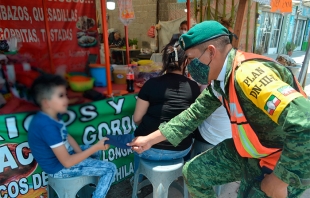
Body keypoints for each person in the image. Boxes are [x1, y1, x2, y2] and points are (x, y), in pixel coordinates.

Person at [128, 20, 310, 197]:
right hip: (254, 152)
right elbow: (192, 115)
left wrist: (280, 179)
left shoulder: (247, 74)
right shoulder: (220, 82)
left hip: (288, 159)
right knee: (194, 173)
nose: (189, 67)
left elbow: (306, 122)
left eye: (191, 59)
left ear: (211, 52)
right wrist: (150, 140)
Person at [28, 74, 117, 198]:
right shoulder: (46, 126)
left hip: (65, 157)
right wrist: (95, 147)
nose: (66, 100)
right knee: (110, 168)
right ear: (46, 102)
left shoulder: (53, 114)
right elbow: (67, 163)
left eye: (65, 95)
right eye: (60, 96)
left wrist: (83, 155)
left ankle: (89, 188)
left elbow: (67, 136)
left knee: (94, 153)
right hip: (59, 169)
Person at [132, 41, 200, 174]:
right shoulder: (193, 87)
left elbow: (137, 119)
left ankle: (137, 178)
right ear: (185, 62)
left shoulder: (151, 84)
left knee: (134, 136)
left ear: (164, 62)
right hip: (181, 149)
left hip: (148, 149)